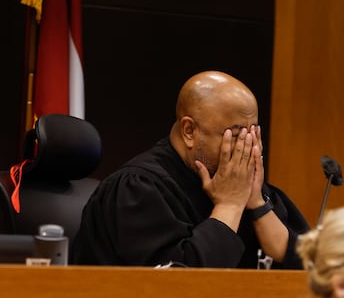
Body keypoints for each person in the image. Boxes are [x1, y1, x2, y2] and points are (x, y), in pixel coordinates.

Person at [71, 70, 310, 268]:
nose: (247, 150)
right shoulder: (138, 189)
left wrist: (257, 205)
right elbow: (180, 286)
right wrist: (229, 206)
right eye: (236, 135)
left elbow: (311, 269)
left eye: (253, 135)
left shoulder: (246, 185)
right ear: (189, 131)